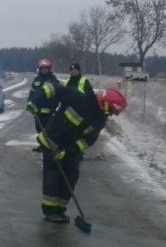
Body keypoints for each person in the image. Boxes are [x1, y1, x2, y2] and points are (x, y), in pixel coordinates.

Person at [36, 86, 128, 223]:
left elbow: (87, 141)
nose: (111, 115)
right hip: (51, 142)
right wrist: (35, 100)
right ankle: (50, 211)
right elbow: (53, 88)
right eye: (112, 111)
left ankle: (60, 209)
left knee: (71, 176)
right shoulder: (78, 98)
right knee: (53, 178)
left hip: (69, 149)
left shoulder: (99, 120)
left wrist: (66, 151)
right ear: (106, 104)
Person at [25, 58, 61, 136]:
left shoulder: (53, 79)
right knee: (39, 130)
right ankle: (42, 145)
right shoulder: (36, 80)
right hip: (38, 112)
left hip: (50, 112)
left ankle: (48, 146)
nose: (44, 70)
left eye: (45, 69)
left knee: (49, 131)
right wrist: (29, 103)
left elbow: (57, 94)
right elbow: (32, 93)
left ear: (49, 69)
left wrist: (55, 105)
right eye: (42, 69)